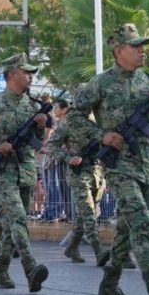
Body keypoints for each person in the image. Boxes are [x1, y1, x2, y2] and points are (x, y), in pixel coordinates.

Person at [71, 24, 149, 295]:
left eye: (143, 45)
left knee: (127, 228)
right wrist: (100, 136)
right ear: (119, 50)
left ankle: (109, 284)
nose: (143, 50)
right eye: (136, 46)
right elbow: (72, 117)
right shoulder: (100, 84)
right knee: (142, 223)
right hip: (119, 166)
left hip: (148, 163)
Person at [0, 53, 50, 292]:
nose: (30, 76)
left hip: (25, 168)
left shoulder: (34, 106)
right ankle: (30, 267)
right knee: (17, 217)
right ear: (12, 75)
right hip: (2, 171)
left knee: (10, 221)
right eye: (26, 72)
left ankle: (1, 270)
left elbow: (39, 140)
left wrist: (40, 127)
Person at [47, 99, 110, 266]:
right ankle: (99, 250)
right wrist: (69, 157)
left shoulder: (100, 120)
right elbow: (52, 146)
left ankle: (72, 247)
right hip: (78, 173)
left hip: (97, 171)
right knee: (88, 212)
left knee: (89, 213)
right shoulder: (68, 123)